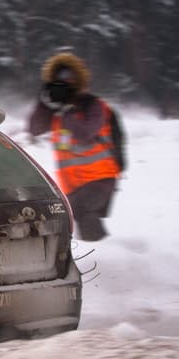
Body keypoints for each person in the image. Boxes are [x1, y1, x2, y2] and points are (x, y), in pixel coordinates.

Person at [27, 49, 121, 241]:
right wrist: (43, 103)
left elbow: (86, 133)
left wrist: (67, 111)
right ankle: (108, 253)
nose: (64, 82)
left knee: (84, 212)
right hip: (72, 185)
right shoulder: (54, 110)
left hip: (100, 178)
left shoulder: (93, 105)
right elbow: (34, 128)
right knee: (71, 221)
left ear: (78, 80)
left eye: (69, 77)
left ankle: (110, 257)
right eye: (59, 78)